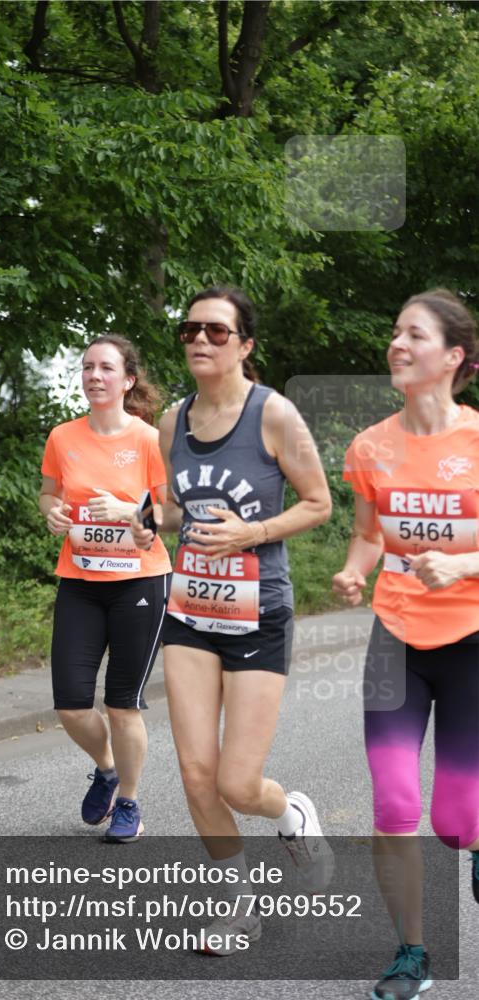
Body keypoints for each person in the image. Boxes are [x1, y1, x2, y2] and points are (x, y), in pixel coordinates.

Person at [133, 286, 334, 955]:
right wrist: (139, 519)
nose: (198, 340)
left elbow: (317, 503)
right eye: (190, 329)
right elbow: (169, 510)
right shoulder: (172, 422)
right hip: (189, 609)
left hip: (257, 614)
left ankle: (289, 813)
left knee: (236, 783)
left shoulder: (273, 414)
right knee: (194, 773)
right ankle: (235, 903)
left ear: (245, 345)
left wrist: (253, 531)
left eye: (216, 332)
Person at [333, 288, 479, 1000]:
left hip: (470, 643)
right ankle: (411, 953)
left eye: (412, 334)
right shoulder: (370, 446)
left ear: (451, 356)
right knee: (393, 805)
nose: (396, 343)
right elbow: (366, 532)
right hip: (393, 639)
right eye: (394, 331)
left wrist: (463, 563)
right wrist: (352, 571)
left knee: (455, 823)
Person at [39, 334, 172, 843]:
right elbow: (48, 493)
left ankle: (130, 803)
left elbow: (173, 513)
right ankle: (108, 767)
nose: (95, 376)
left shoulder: (147, 439)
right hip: (79, 582)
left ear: (127, 380)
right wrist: (49, 509)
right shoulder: (62, 437)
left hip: (140, 583)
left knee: (122, 704)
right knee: (71, 704)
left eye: (106, 368)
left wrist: (131, 513)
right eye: (88, 367)